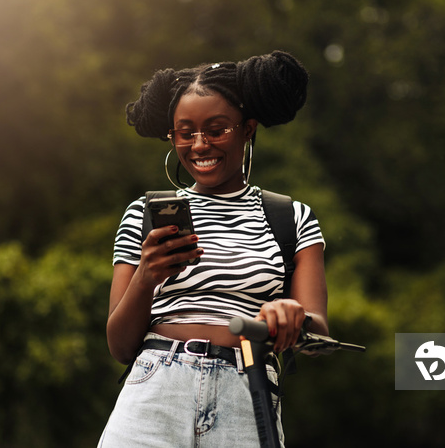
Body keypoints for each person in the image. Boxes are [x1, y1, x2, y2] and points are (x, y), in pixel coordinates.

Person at [97, 50, 328, 447]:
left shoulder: (292, 217)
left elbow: (319, 338)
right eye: (185, 132)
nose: (199, 144)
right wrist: (147, 276)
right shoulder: (143, 214)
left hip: (247, 396)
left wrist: (294, 316)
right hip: (154, 390)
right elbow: (119, 346)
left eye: (217, 129)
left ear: (247, 129)